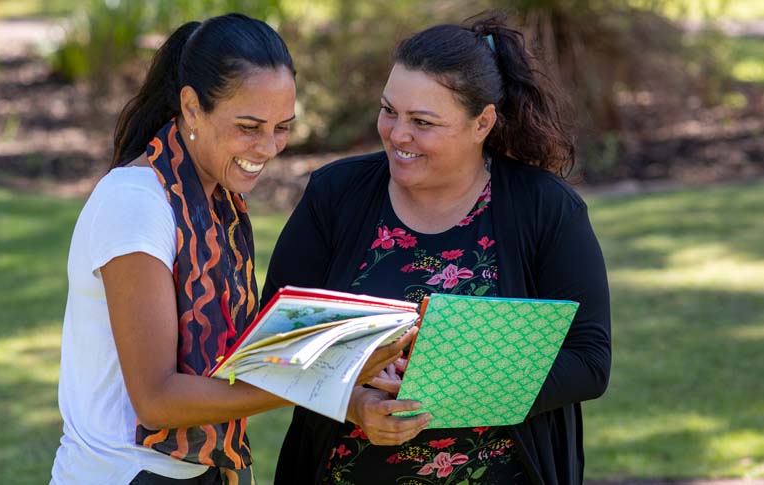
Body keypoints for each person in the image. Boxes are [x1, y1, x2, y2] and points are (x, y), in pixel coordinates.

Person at [50, 13, 417, 485]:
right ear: (191, 106)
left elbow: (242, 365)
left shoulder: (218, 202)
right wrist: (328, 373)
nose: (267, 147)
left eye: (282, 127)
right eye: (249, 126)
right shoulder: (135, 203)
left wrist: (352, 395)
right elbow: (158, 400)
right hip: (123, 473)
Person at [262, 11, 611, 485]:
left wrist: (444, 386)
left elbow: (588, 360)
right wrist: (356, 403)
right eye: (389, 111)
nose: (398, 135)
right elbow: (275, 342)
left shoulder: (547, 209)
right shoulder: (335, 195)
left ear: (482, 122)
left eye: (423, 121)